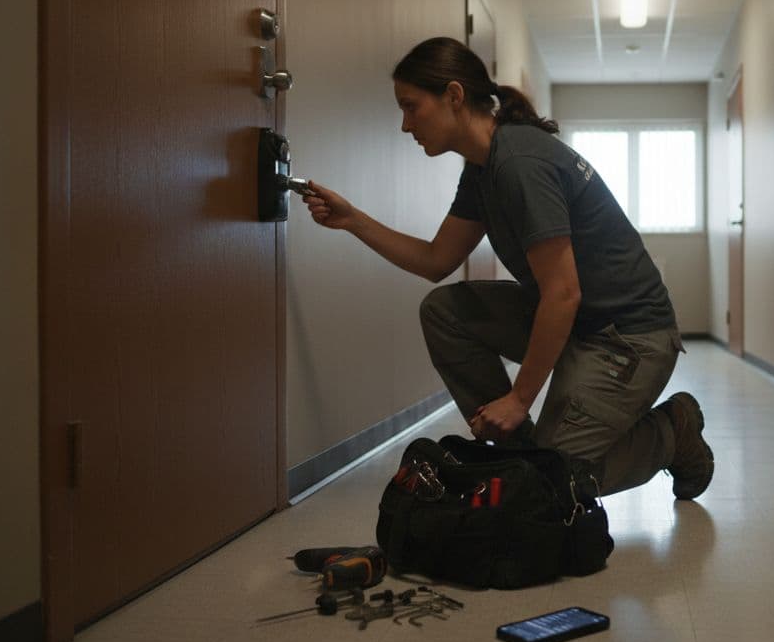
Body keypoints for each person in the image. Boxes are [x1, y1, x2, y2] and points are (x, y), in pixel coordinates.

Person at [300, 36, 712, 499]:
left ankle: (671, 433)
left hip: (627, 337)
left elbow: (563, 294)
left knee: (556, 483)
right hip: (576, 323)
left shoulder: (518, 162)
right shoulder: (483, 168)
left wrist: (520, 398)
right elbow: (438, 262)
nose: (404, 124)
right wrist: (352, 220)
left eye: (412, 107)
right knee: (444, 310)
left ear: (454, 96)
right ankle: (517, 456)